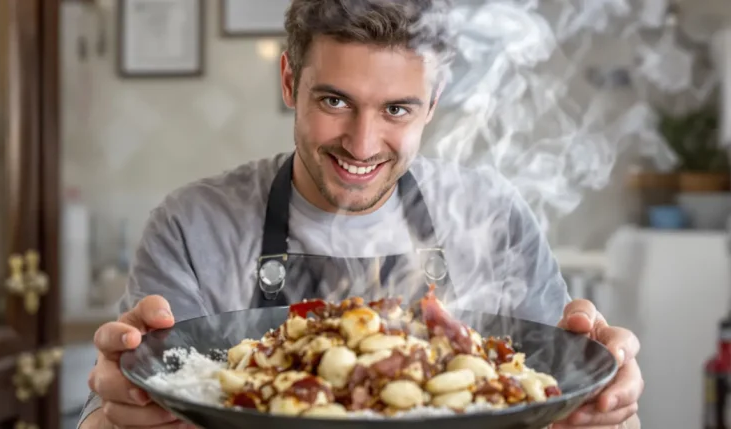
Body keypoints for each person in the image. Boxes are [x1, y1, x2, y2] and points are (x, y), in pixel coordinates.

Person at [78, 0, 644, 428]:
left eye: (397, 109)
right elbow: (118, 410)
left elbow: (561, 401)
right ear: (289, 81)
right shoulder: (191, 225)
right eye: (334, 101)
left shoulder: (493, 215)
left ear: (434, 102)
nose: (362, 143)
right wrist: (111, 414)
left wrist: (609, 409)